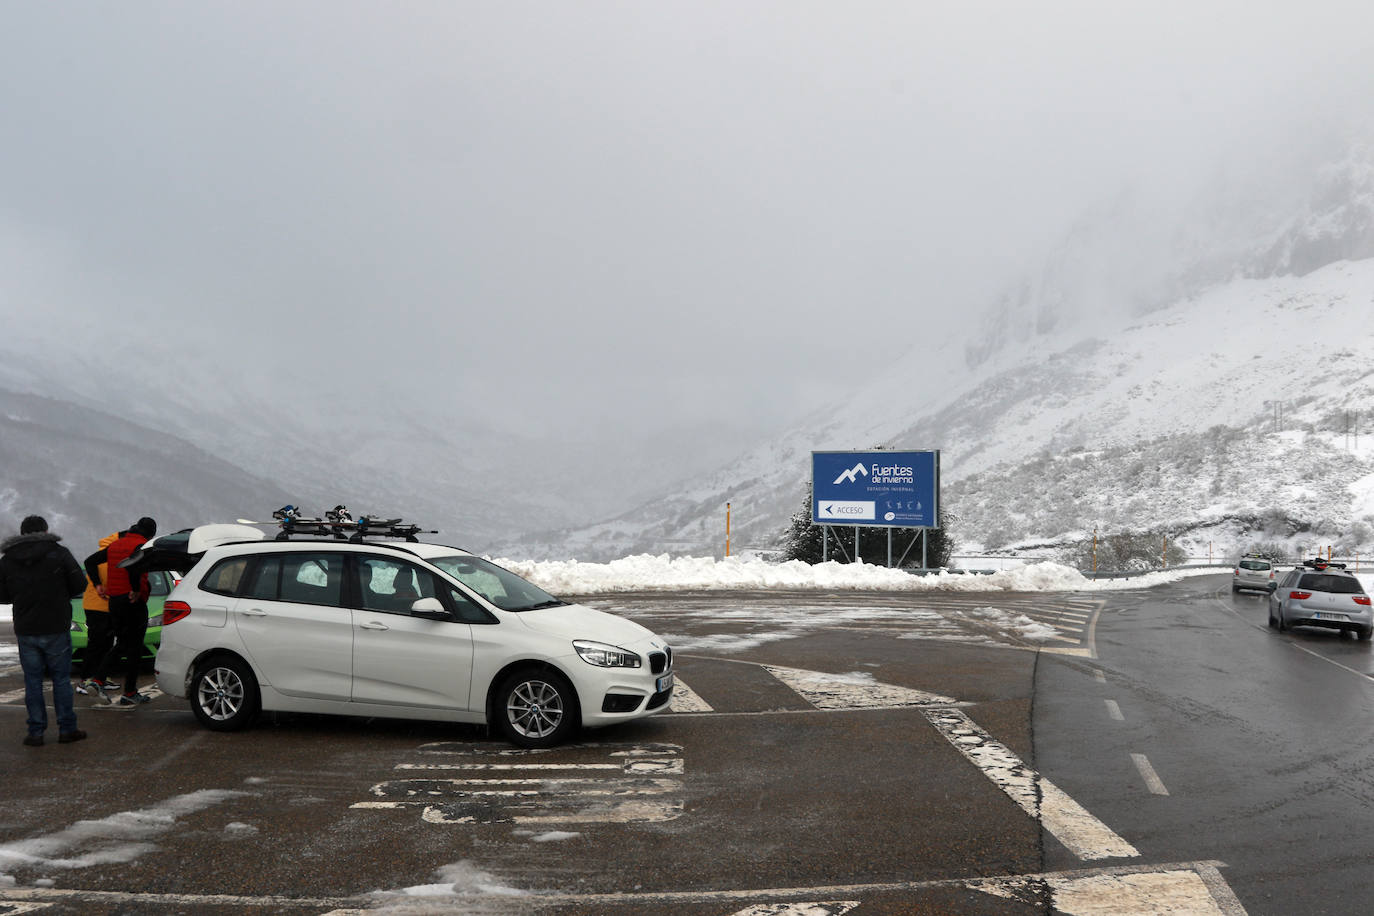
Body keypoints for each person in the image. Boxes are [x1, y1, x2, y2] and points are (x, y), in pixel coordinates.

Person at [0, 515, 88, 746]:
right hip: (56, 625)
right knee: (60, 679)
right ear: (45, 530)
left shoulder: (8, 558)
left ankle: (36, 732)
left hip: (26, 628)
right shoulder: (59, 553)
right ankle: (67, 729)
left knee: (32, 681)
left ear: (22, 532)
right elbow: (80, 584)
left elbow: (1, 595)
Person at [85, 517, 156, 706]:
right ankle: (99, 680)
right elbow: (133, 567)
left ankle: (129, 692)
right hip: (133, 601)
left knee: (128, 645)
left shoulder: (116, 545)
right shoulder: (141, 546)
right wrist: (135, 588)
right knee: (129, 644)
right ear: (150, 534)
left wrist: (98, 584)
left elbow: (89, 561)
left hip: (115, 601)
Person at [76, 529, 125, 696]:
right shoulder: (105, 555)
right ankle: (85, 680)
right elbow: (108, 579)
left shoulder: (114, 552)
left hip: (109, 606)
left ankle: (101, 678)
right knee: (96, 644)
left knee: (107, 643)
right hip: (96, 606)